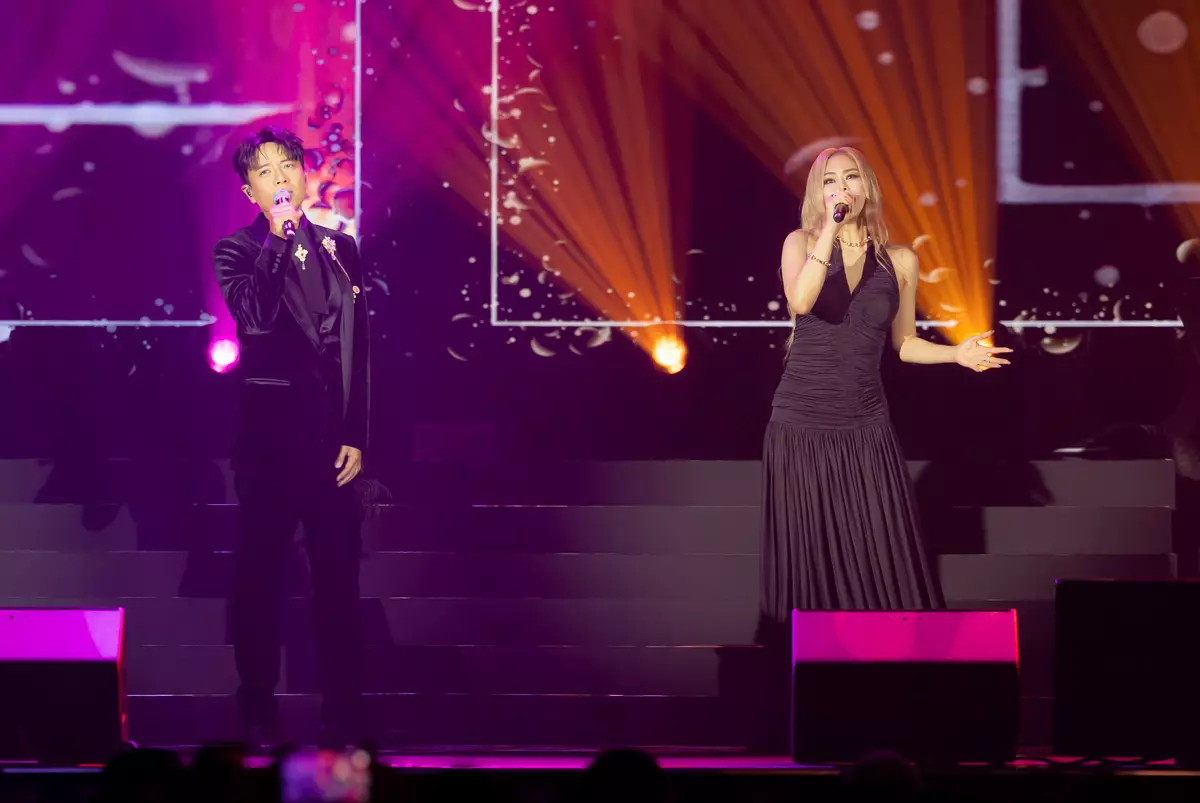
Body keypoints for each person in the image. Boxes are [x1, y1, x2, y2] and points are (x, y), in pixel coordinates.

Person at [761, 147, 1011, 615]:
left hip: (866, 421)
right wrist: (828, 232)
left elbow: (905, 343)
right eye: (830, 181)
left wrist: (956, 354)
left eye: (850, 177)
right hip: (802, 417)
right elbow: (801, 302)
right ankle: (811, 650)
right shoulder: (801, 243)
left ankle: (891, 647)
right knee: (812, 551)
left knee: (879, 545)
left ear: (867, 187)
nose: (841, 188)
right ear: (818, 193)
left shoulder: (900, 260)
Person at [213, 126, 370, 751]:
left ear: (305, 176)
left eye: (287, 166)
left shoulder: (341, 248)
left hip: (332, 444)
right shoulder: (236, 251)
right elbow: (253, 317)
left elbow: (360, 348)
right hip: (270, 444)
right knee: (260, 581)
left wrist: (356, 432)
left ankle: (344, 712)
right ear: (249, 191)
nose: (279, 178)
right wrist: (277, 242)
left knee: (339, 585)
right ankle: (256, 710)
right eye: (264, 171)